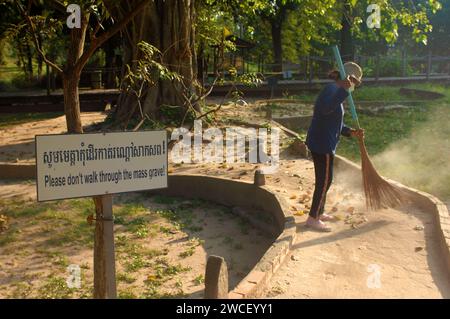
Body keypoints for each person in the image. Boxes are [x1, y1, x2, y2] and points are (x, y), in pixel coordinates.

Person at [305, 62, 365, 232]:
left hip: (325, 141)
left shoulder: (336, 91)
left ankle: (319, 212)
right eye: (354, 81)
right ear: (348, 78)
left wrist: (350, 132)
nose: (354, 85)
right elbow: (324, 109)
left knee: (326, 180)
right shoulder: (332, 90)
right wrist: (343, 92)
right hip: (322, 143)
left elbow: (333, 121)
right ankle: (312, 219)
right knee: (324, 181)